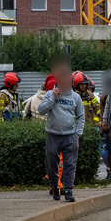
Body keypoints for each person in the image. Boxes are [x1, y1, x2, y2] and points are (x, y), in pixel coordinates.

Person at [39, 60, 85, 202]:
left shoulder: (76, 97)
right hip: (53, 135)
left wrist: (77, 133)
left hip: (70, 136)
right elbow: (41, 110)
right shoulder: (50, 94)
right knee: (51, 164)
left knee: (70, 165)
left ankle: (69, 190)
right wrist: (53, 97)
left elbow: (81, 116)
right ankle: (55, 187)